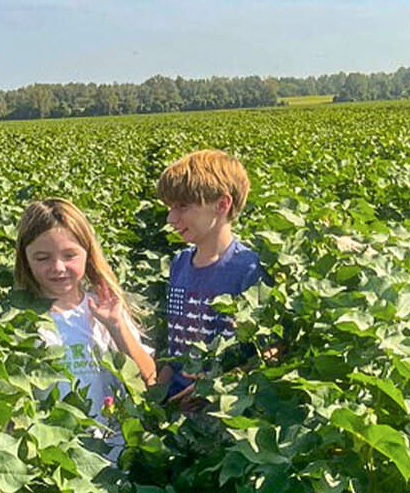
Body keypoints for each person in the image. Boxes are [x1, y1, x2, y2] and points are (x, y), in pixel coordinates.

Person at [14, 198, 157, 459]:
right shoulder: (19, 321)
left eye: (70, 255)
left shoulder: (104, 308)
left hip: (115, 459)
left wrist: (116, 326)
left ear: (87, 254)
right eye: (42, 258)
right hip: (53, 463)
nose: (58, 268)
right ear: (25, 259)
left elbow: (148, 379)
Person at [155, 149, 265, 405]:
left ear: (222, 204)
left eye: (183, 206)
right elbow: (175, 348)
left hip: (223, 413)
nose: (171, 218)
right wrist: (155, 401)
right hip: (176, 407)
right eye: (170, 207)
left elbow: (267, 353)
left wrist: (210, 390)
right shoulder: (179, 264)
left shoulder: (249, 269)